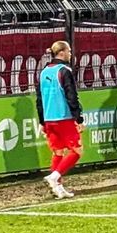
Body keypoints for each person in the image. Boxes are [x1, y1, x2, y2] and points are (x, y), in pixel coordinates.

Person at [35, 40, 84, 198]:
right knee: (77, 151)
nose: (70, 53)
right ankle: (54, 177)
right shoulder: (64, 70)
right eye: (69, 51)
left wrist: (42, 121)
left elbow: (39, 99)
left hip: (49, 119)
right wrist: (79, 118)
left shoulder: (43, 72)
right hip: (63, 117)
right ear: (61, 52)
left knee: (58, 152)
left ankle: (58, 188)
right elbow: (71, 96)